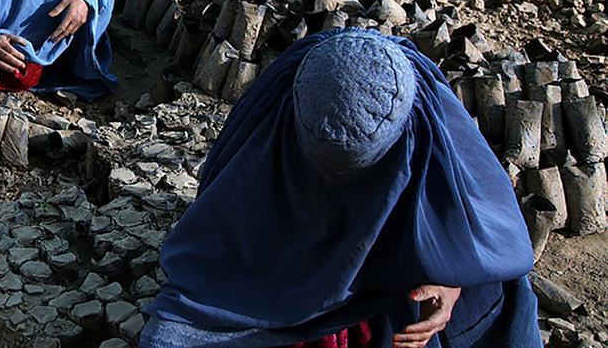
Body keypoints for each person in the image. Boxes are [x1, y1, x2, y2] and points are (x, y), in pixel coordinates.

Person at [142, 28, 541, 348]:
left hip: (397, 281)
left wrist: (452, 277)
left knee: (485, 293)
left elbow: (488, 232)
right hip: (285, 274)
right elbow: (201, 296)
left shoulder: (426, 126)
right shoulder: (269, 131)